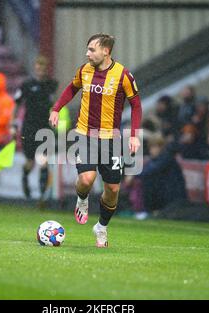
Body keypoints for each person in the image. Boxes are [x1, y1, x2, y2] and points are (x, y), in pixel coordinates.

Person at [49, 34, 142, 248]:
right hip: (85, 134)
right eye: (88, 49)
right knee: (86, 180)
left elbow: (136, 105)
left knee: (113, 190)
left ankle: (101, 227)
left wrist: (135, 135)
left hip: (112, 140)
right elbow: (72, 88)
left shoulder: (123, 75)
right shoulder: (84, 70)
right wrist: (56, 109)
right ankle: (82, 199)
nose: (87, 53)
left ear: (106, 51)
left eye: (92, 49)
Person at [14, 56, 58, 201]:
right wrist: (13, 124)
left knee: (43, 160)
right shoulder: (26, 85)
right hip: (29, 127)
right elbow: (17, 104)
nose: (40, 71)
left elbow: (55, 104)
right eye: (38, 68)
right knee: (30, 162)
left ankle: (42, 194)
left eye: (43, 68)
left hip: (44, 127)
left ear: (46, 70)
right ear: (35, 68)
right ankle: (25, 178)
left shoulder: (52, 85)